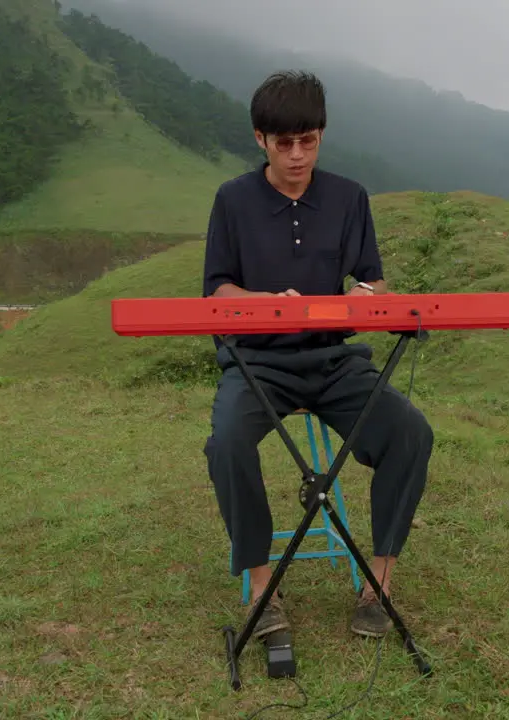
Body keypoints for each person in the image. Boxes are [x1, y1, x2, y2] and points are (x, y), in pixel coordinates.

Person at [201, 71, 434, 640]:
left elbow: (374, 282)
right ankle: (263, 588)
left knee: (411, 432)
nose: (298, 154)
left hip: (334, 363)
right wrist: (265, 303)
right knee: (226, 442)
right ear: (260, 139)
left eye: (309, 140)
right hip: (259, 365)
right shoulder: (232, 200)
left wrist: (365, 296)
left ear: (322, 135)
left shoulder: (349, 197)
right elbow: (218, 291)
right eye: (284, 143)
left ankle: (377, 582)